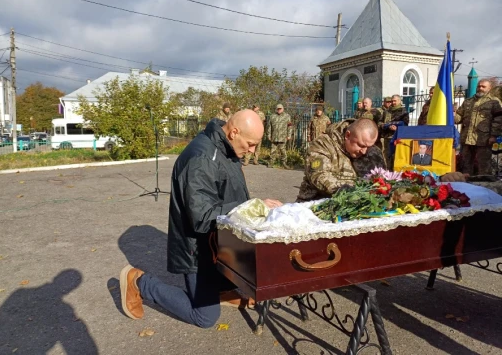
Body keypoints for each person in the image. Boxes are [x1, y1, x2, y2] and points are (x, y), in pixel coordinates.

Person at [120, 110, 283, 328]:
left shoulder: (225, 146)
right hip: (198, 249)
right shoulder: (202, 158)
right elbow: (202, 216)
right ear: (234, 132)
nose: (253, 150)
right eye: (251, 144)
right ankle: (140, 282)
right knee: (205, 318)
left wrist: (255, 208)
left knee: (245, 271)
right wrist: (250, 207)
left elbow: (227, 193)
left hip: (218, 242)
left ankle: (219, 290)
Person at [296, 118, 387, 202]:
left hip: (355, 205)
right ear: (347, 135)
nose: (364, 151)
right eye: (361, 145)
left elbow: (380, 180)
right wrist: (351, 190)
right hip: (316, 203)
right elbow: (319, 175)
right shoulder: (322, 144)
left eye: (368, 146)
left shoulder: (372, 151)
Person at [455, 80, 502, 175]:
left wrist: (493, 135)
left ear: (489, 88)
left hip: (483, 139)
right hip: (467, 138)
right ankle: (467, 185)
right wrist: (452, 114)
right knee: (466, 164)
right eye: (479, 86)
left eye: (483, 86)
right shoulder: (468, 101)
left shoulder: (494, 102)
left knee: (483, 164)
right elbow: (459, 117)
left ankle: (484, 185)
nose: (480, 88)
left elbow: (498, 119)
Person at [379, 94, 410, 169]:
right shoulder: (386, 111)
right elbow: (379, 123)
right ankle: (387, 172)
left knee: (396, 156)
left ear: (399, 101)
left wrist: (397, 129)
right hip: (386, 137)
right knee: (386, 156)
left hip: (397, 138)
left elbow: (406, 125)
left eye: (395, 101)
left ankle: (395, 172)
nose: (393, 102)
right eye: (392, 101)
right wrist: (386, 126)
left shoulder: (403, 112)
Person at [267, 103, 293, 169]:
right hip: (274, 136)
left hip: (283, 136)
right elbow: (269, 126)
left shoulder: (287, 116)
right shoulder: (272, 116)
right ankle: (271, 163)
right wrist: (269, 135)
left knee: (283, 151)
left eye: (280, 108)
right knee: (273, 150)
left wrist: (289, 135)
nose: (279, 110)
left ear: (283, 109)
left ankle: (284, 163)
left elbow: (290, 126)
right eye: (278, 108)